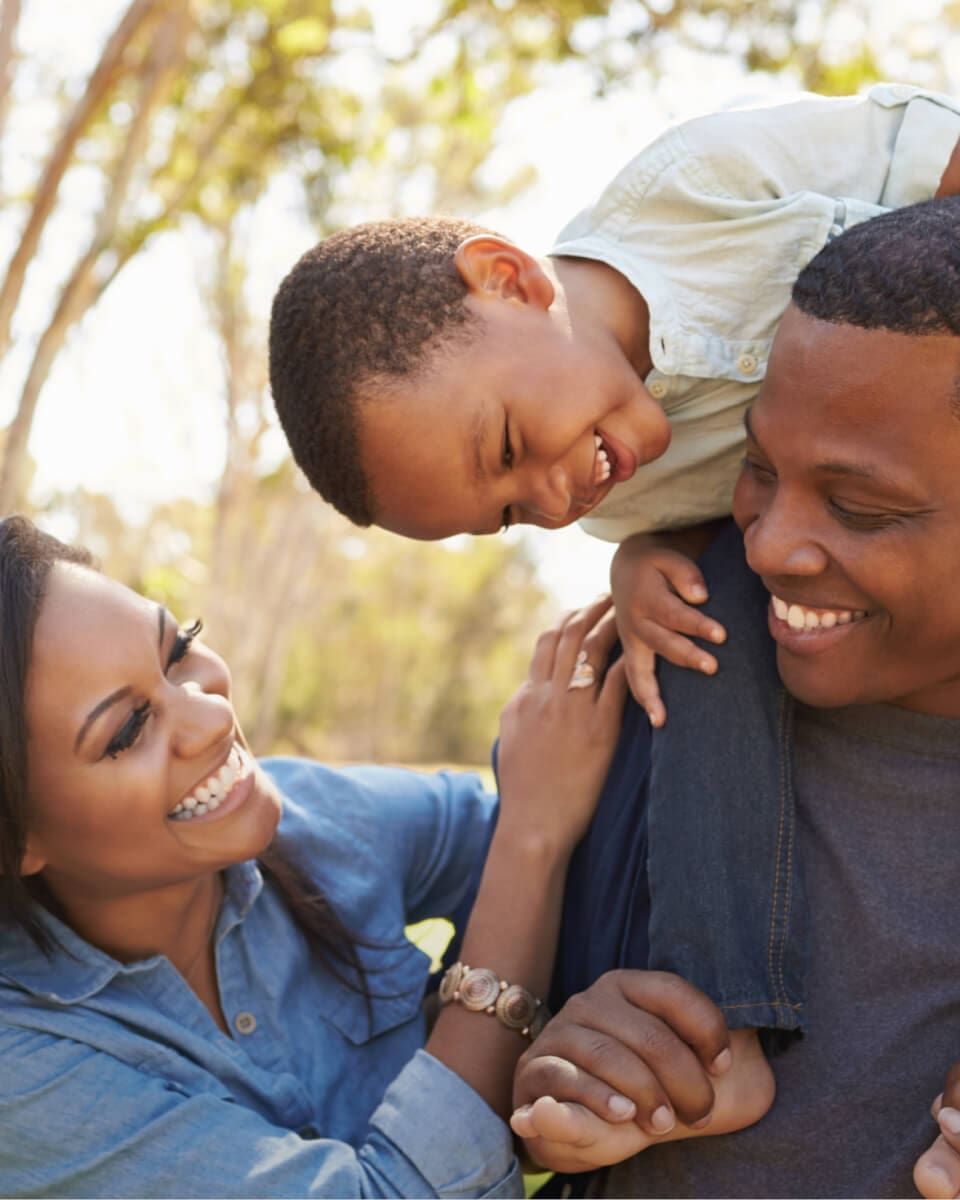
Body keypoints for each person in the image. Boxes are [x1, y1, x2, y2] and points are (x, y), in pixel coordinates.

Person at [509, 195, 960, 1198]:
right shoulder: (644, 703)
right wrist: (559, 1086)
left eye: (858, 507)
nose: (768, 544)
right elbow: (478, 1069)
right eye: (757, 468)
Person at [269, 83, 960, 725]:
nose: (552, 502)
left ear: (509, 281)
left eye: (507, 448)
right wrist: (641, 558)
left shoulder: (704, 184)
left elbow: (937, 155)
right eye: (510, 516)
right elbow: (757, 522)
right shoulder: (626, 506)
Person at [0, 512, 643, 1199]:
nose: (213, 716)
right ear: (18, 842)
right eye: (128, 730)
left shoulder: (313, 815)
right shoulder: (23, 1070)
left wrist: (646, 582)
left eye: (176, 650)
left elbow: (587, 835)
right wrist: (531, 845)